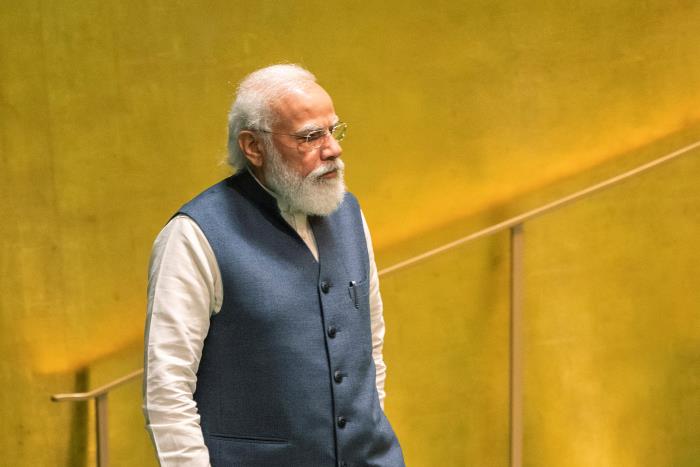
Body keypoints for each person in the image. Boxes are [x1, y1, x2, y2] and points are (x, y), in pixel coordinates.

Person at [143, 64, 405, 467]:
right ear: (253, 146)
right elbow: (167, 389)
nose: (332, 148)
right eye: (309, 137)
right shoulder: (192, 236)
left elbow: (370, 346)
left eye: (333, 130)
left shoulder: (350, 213)